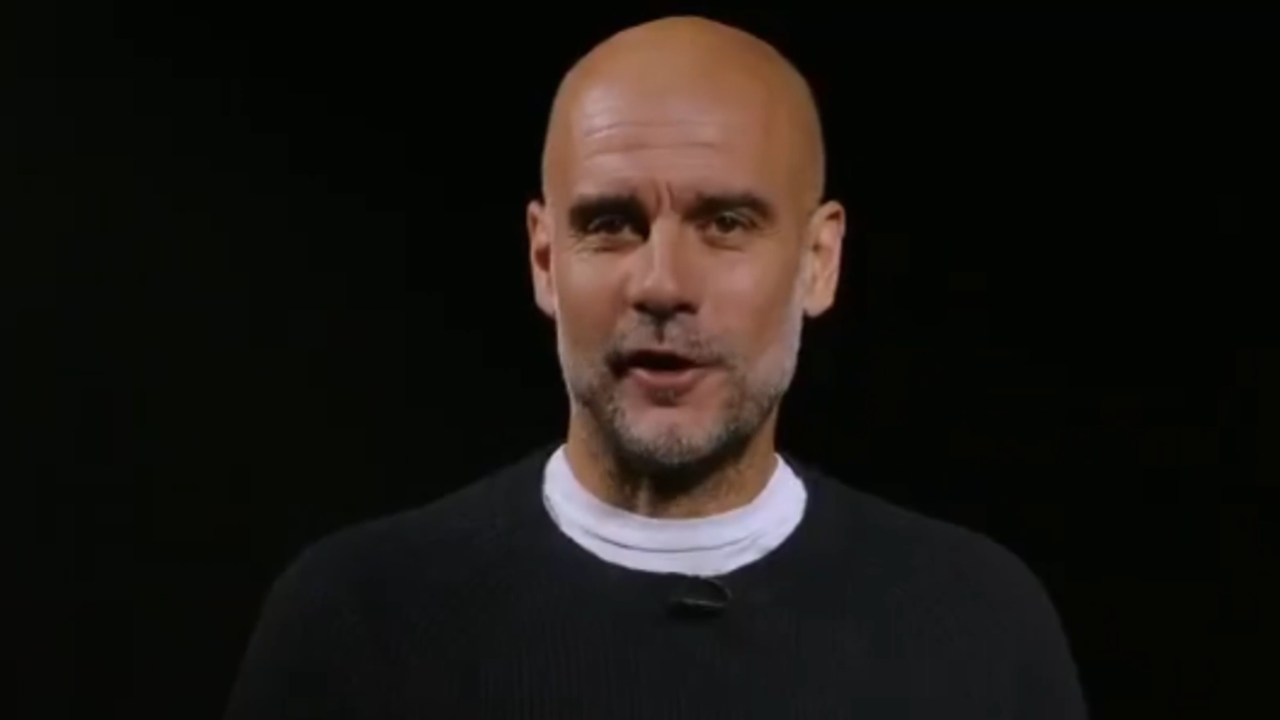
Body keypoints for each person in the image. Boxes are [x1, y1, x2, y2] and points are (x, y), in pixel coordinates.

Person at [224, 16, 1089, 719]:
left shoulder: (978, 624)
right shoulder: (356, 623)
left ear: (819, 261)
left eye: (727, 223)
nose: (663, 285)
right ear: (544, 260)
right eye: (610, 225)